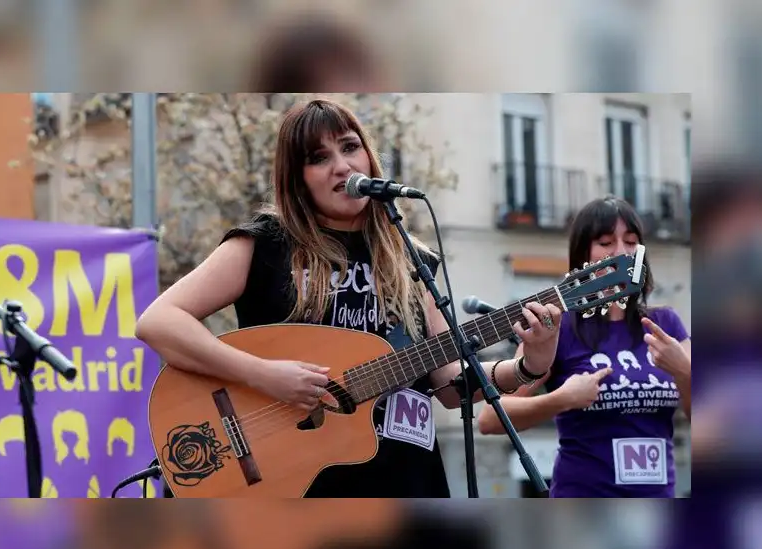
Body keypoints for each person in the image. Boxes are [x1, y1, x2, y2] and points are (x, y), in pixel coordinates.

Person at [134, 97, 563, 498]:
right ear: (298, 181)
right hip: (300, 483)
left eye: (350, 147)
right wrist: (261, 374)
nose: (342, 166)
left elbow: (450, 385)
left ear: (369, 158)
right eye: (319, 158)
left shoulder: (411, 259)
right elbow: (158, 322)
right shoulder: (267, 244)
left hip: (406, 478)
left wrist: (528, 365)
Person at [478, 196, 692, 498]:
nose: (621, 252)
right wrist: (561, 399)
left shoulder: (665, 322)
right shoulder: (559, 327)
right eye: (606, 243)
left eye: (631, 242)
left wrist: (684, 372)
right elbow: (489, 418)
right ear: (584, 255)